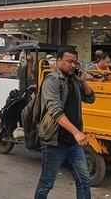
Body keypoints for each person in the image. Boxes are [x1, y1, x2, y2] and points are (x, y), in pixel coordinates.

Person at [35, 46, 95, 199]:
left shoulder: (74, 80)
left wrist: (83, 82)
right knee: (47, 183)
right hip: (54, 142)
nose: (73, 65)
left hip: (73, 143)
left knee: (84, 180)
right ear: (59, 61)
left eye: (75, 62)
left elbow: (90, 99)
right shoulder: (52, 81)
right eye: (69, 62)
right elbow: (55, 111)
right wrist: (76, 132)